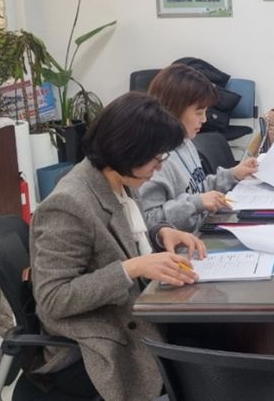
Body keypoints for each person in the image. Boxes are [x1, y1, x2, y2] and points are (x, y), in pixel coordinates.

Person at [30, 92, 207, 400]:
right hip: (98, 342)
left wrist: (161, 233)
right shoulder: (69, 204)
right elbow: (54, 298)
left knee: (216, 339)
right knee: (209, 362)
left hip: (135, 314)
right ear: (129, 151)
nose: (158, 168)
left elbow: (126, 234)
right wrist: (131, 268)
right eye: (156, 159)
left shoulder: (119, 180)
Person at [141, 63, 258, 233]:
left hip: (203, 230)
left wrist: (233, 174)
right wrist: (197, 203)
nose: (204, 119)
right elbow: (148, 222)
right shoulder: (152, 160)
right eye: (198, 112)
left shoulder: (185, 142)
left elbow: (199, 189)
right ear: (173, 110)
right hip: (184, 243)